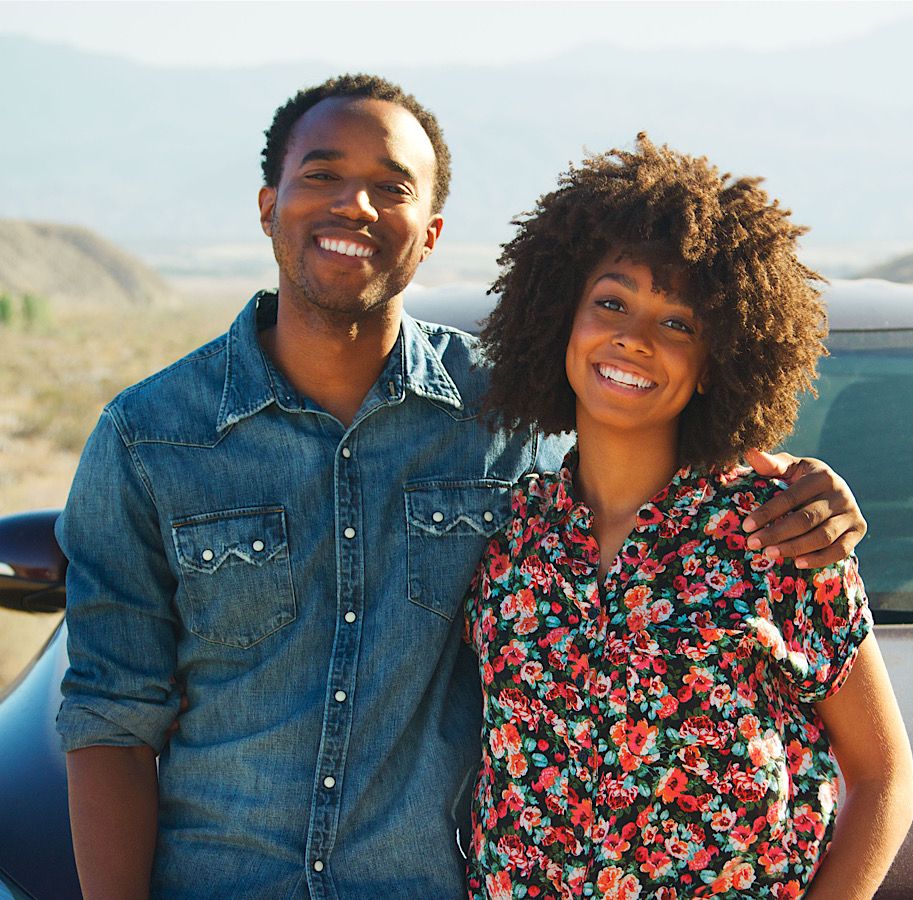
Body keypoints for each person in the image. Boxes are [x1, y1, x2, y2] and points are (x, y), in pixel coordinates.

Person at [55, 76, 868, 899]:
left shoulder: (508, 412)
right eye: (323, 176)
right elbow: (110, 719)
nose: (356, 207)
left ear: (432, 231)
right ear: (269, 205)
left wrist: (808, 483)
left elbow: (639, 451)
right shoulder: (148, 437)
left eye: (391, 187)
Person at [464, 138, 913, 898]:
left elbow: (883, 777)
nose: (634, 337)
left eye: (679, 324)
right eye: (611, 302)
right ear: (559, 320)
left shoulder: (778, 531)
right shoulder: (506, 536)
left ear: (717, 362)